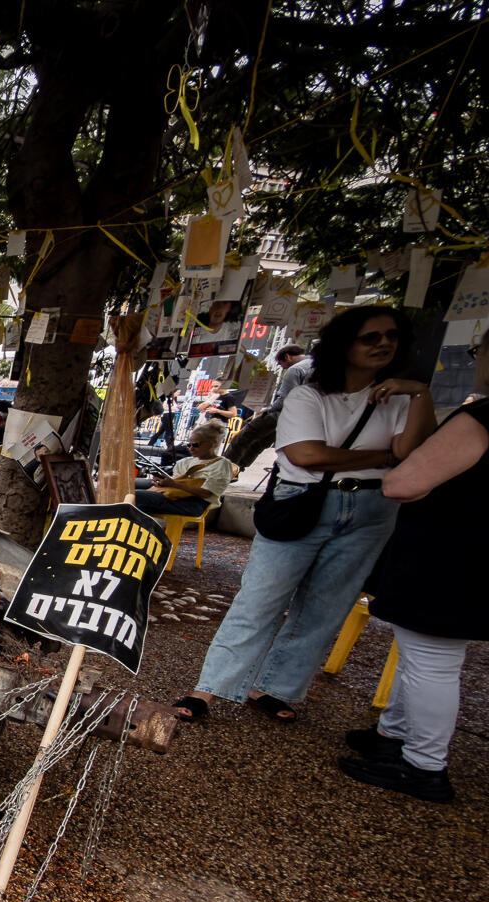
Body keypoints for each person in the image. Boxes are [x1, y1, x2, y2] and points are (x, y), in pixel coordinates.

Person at [173, 306, 436, 724]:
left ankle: (274, 686)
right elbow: (307, 454)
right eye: (370, 337)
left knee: (326, 607)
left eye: (391, 336)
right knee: (260, 599)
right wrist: (382, 457)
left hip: (372, 507)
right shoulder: (309, 395)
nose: (383, 344)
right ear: (344, 345)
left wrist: (419, 393)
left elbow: (410, 452)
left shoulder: (404, 398)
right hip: (303, 500)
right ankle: (209, 687)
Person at [335, 396, 487, 803]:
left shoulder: (482, 417)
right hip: (468, 561)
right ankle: (393, 735)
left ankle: (424, 765)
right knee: (419, 656)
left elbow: (401, 483)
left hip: (450, 558)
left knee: (432, 663)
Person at [225, 344, 315, 470]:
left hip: (280, 415)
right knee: (261, 443)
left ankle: (224, 469)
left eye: (280, 364)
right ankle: (238, 468)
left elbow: (285, 399)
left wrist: (268, 410)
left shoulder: (295, 369)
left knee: (242, 438)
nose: (282, 367)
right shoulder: (317, 366)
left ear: (287, 357)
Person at [135, 421, 233, 516]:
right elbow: (175, 485)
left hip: (196, 504)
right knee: (137, 505)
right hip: (174, 496)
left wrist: (174, 484)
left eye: (196, 445)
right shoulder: (185, 462)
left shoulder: (222, 464)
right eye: (189, 445)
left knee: (135, 496)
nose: (191, 448)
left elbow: (206, 494)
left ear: (213, 444)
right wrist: (162, 483)